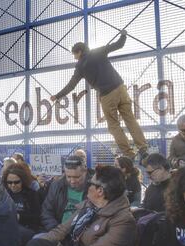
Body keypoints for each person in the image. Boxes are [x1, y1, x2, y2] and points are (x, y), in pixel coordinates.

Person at [19, 165, 136, 246]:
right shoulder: (90, 205)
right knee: (34, 245)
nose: (87, 185)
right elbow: (62, 230)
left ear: (100, 191)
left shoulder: (123, 220)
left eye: (90, 183)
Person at [50, 30, 148, 161]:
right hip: (120, 88)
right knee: (130, 119)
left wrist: (57, 96)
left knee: (114, 125)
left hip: (107, 95)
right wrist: (123, 35)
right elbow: (119, 45)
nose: (74, 57)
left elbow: (71, 85)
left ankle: (129, 154)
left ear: (79, 52)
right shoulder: (99, 51)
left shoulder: (80, 66)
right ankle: (143, 149)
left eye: (74, 54)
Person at [41, 155, 92, 231]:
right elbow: (46, 212)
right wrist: (56, 230)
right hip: (57, 231)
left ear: (85, 172)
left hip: (83, 235)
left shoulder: (94, 187)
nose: (72, 181)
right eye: (68, 177)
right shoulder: (56, 186)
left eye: (77, 177)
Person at [3, 163, 41, 245]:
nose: (13, 185)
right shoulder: (3, 195)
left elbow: (37, 217)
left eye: (16, 182)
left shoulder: (31, 195)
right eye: (9, 182)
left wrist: (20, 217)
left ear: (22, 181)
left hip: (26, 228)